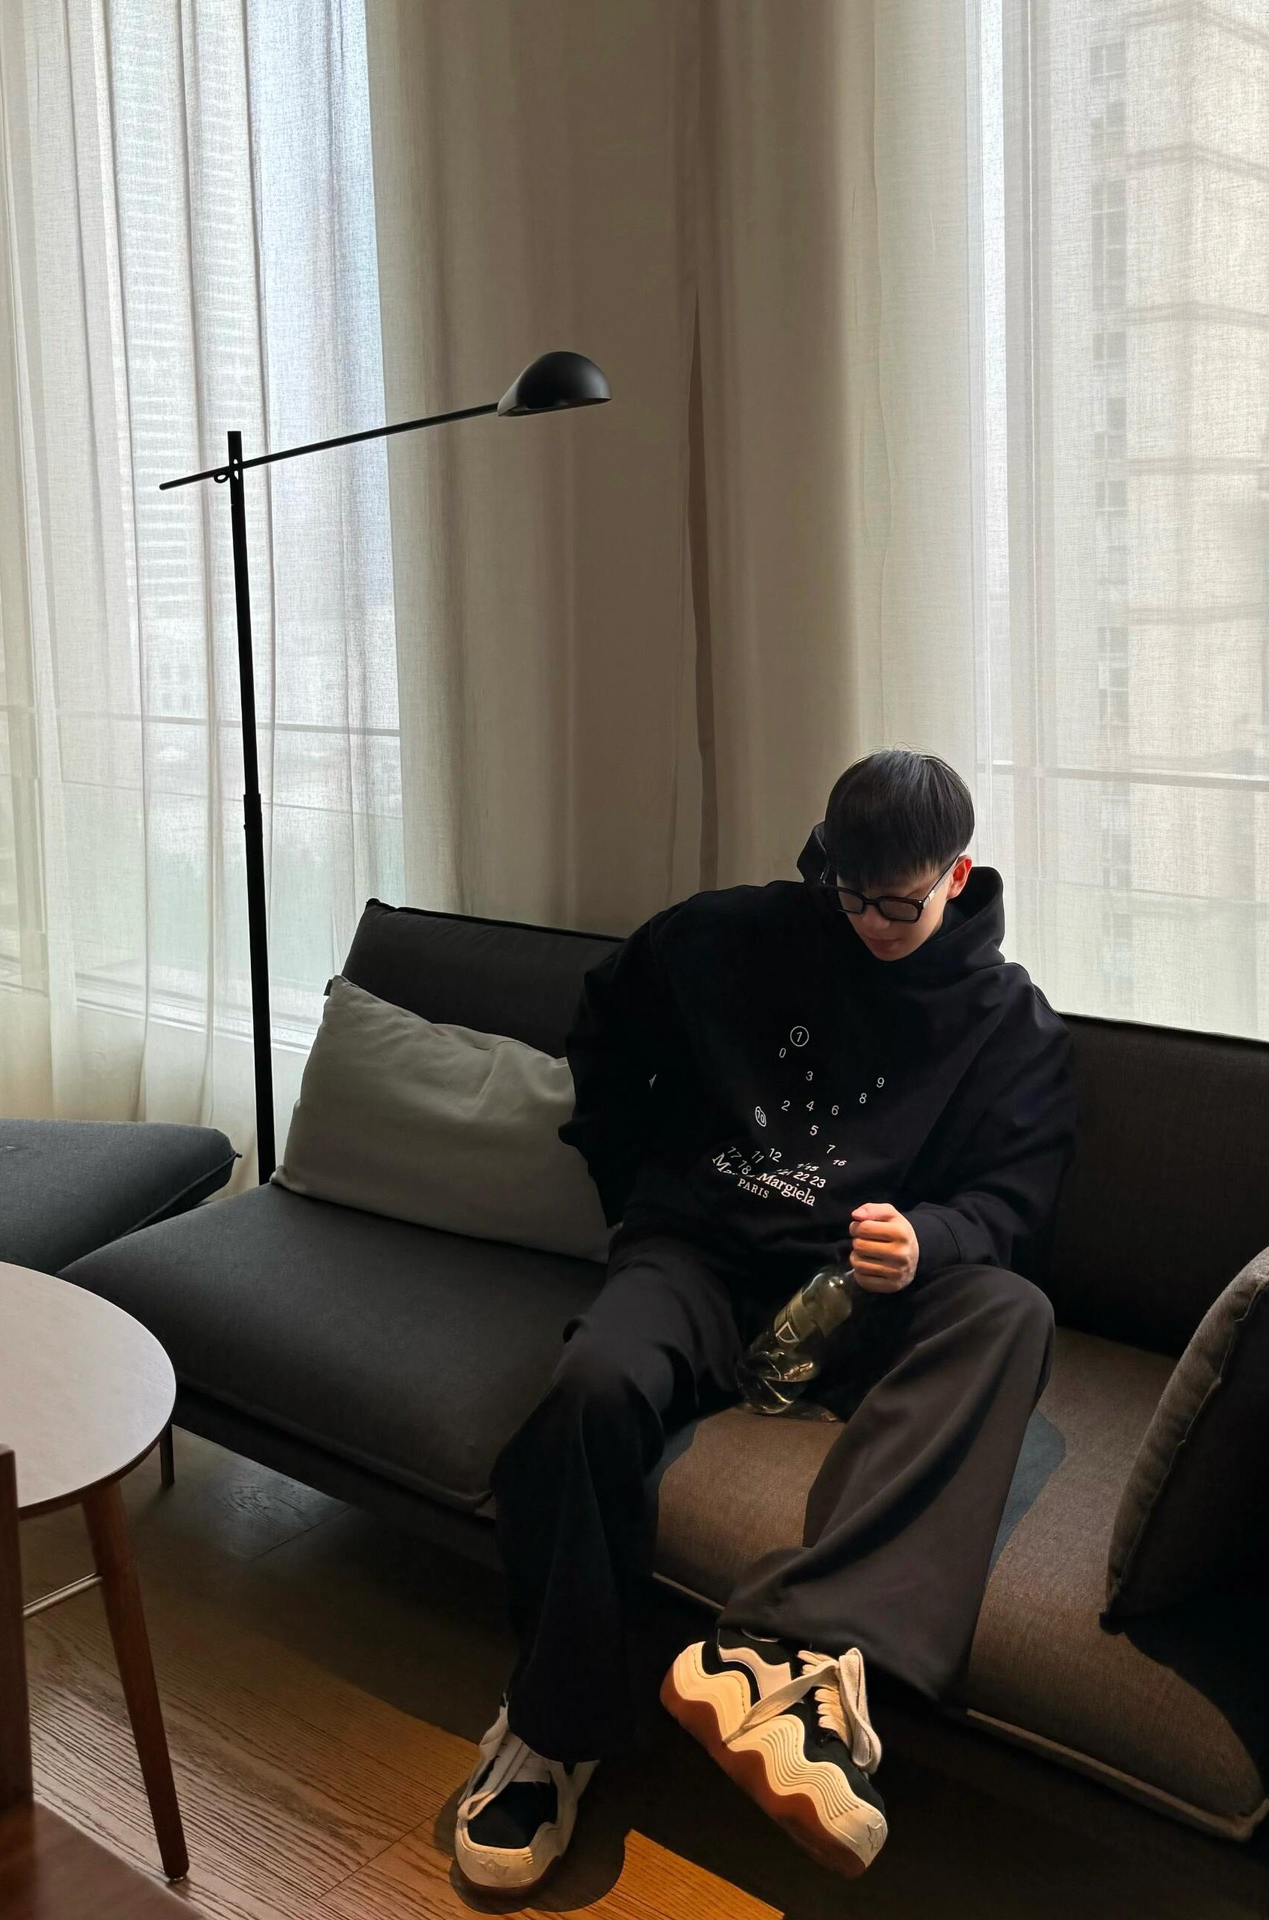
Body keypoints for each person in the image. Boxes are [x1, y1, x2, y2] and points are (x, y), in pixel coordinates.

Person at [452, 748, 1079, 1894]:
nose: (873, 924)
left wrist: (930, 1238)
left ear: (958, 874)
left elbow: (1016, 1203)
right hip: (696, 1255)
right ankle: (552, 1728)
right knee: (590, 1391)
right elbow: (604, 1031)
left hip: (856, 1297)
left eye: (901, 904)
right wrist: (638, 1189)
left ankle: (787, 1657)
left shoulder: (1008, 1024)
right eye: (851, 895)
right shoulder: (730, 937)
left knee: (1013, 1313)